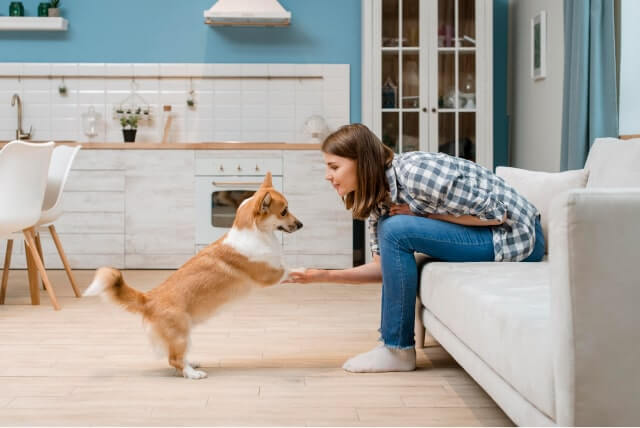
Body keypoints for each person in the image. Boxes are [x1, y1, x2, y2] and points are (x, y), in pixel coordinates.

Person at [286, 123, 545, 373]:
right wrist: (321, 275)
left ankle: (397, 350)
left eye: (334, 166)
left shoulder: (415, 173)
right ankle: (394, 349)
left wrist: (425, 215)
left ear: (362, 162)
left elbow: (496, 214)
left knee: (397, 228)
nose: (327, 175)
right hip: (490, 231)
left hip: (517, 235)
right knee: (394, 227)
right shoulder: (381, 200)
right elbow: (383, 268)